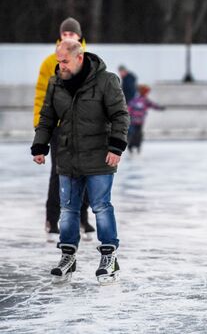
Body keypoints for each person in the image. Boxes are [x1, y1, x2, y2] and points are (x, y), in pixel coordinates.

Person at [31, 39, 129, 284]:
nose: (60, 66)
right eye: (58, 61)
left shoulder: (107, 81)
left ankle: (109, 257)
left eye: (64, 61)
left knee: (101, 207)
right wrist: (40, 144)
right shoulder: (56, 83)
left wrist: (116, 146)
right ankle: (68, 256)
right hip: (68, 156)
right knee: (68, 210)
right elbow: (47, 117)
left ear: (79, 58)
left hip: (99, 155)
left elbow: (120, 115)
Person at [33, 17, 95, 242]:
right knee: (58, 173)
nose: (69, 37)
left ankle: (81, 218)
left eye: (73, 34)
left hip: (85, 127)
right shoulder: (51, 62)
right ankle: (52, 219)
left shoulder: (89, 61)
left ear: (79, 36)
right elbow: (41, 94)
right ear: (61, 36)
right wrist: (41, 128)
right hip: (59, 127)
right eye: (65, 34)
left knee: (86, 172)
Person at [127, 84, 165, 154]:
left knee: (136, 133)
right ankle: (134, 146)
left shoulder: (137, 100)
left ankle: (134, 146)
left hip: (136, 120)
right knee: (137, 133)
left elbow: (129, 108)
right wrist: (161, 108)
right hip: (136, 120)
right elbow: (154, 105)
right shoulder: (143, 100)